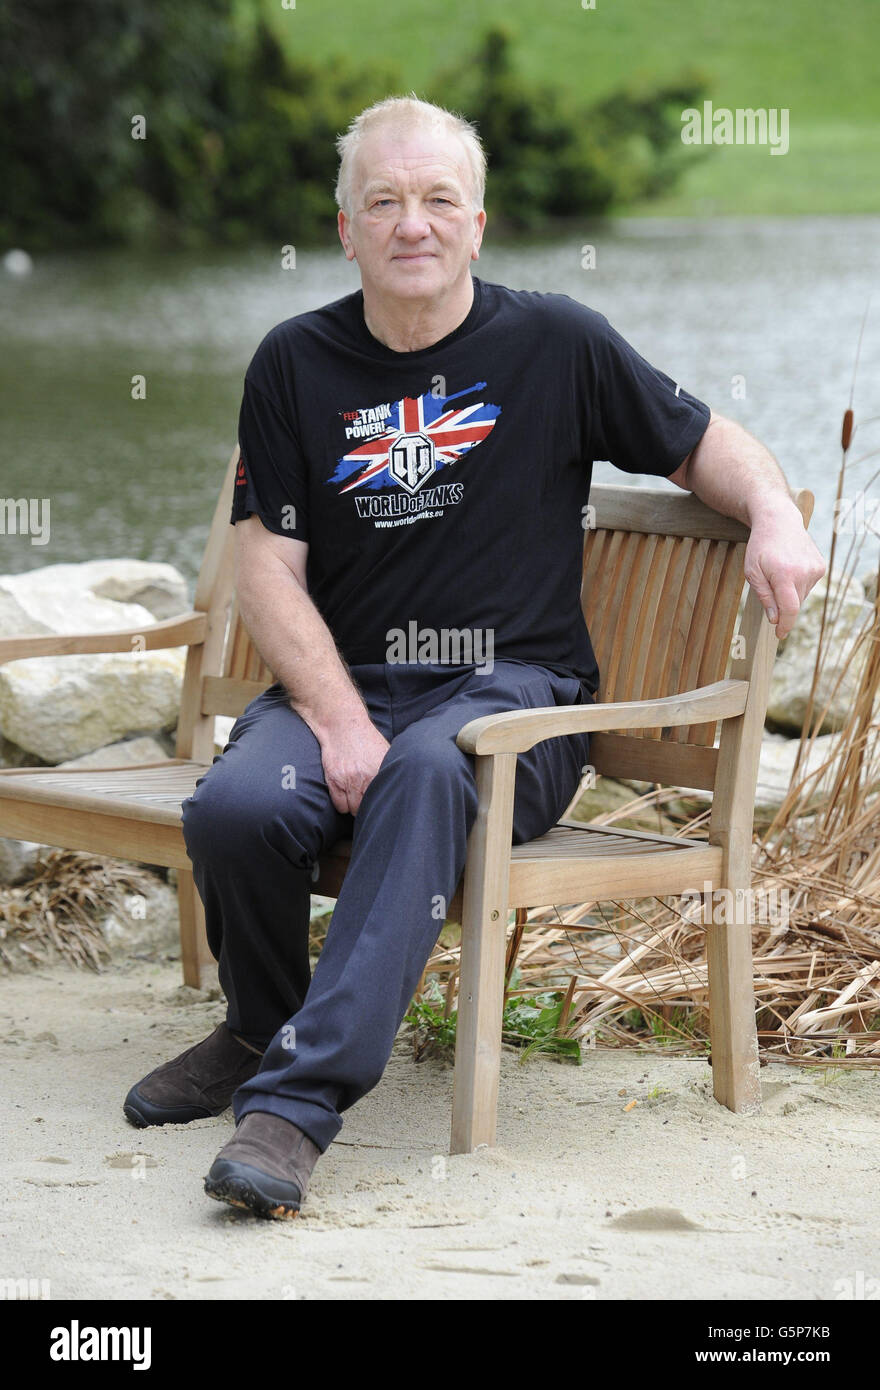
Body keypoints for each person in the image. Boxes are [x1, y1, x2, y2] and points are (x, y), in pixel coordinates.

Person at [123, 96, 826, 1220]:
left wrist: (776, 517)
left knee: (426, 769)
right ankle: (259, 1022)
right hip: (347, 693)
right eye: (384, 201)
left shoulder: (556, 343)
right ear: (345, 227)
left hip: (514, 703)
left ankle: (293, 1108)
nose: (414, 222)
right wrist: (342, 719)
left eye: (438, 199)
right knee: (237, 810)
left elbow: (706, 445)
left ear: (478, 224)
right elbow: (266, 569)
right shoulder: (294, 362)